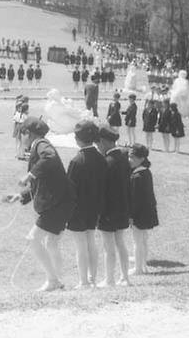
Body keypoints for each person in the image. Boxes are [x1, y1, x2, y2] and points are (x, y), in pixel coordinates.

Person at [9, 117, 75, 291]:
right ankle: (57, 280)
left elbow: (50, 157)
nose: (21, 139)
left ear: (27, 133)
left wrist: (30, 174)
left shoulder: (41, 144)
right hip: (62, 201)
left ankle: (53, 280)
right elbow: (41, 183)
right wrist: (20, 196)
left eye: (21, 134)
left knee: (33, 239)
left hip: (57, 204)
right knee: (51, 243)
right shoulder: (39, 145)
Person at [66, 121, 107, 288]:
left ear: (79, 139)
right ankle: (93, 278)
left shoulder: (77, 161)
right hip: (95, 207)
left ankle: (83, 281)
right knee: (91, 242)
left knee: (80, 246)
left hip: (78, 209)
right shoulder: (101, 158)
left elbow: (69, 189)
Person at [96, 125, 131, 286]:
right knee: (121, 244)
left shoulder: (106, 162)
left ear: (104, 142)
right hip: (123, 207)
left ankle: (109, 278)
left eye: (99, 143)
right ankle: (125, 277)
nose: (98, 146)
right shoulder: (124, 159)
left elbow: (102, 191)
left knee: (108, 247)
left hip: (108, 210)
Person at [128, 144, 158, 275]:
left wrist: (130, 215)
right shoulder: (146, 172)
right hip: (147, 211)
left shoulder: (137, 176)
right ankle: (143, 265)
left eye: (133, 157)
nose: (130, 159)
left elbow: (134, 200)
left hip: (139, 213)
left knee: (137, 241)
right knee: (143, 239)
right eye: (129, 156)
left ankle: (138, 268)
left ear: (141, 159)